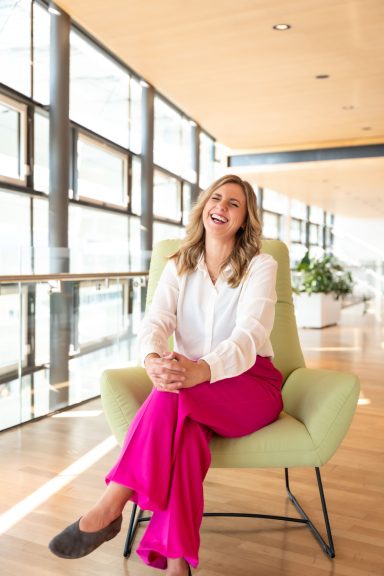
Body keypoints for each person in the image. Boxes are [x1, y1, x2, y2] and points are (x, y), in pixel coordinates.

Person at [48, 174, 283, 576]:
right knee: (187, 442)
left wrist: (202, 370)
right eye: (216, 198)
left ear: (245, 219)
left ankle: (110, 504)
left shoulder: (260, 265)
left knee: (173, 393)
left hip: (251, 384)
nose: (222, 207)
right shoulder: (179, 265)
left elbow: (250, 335)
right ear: (204, 207)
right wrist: (154, 358)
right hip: (189, 382)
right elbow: (155, 321)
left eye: (234, 204)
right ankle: (178, 566)